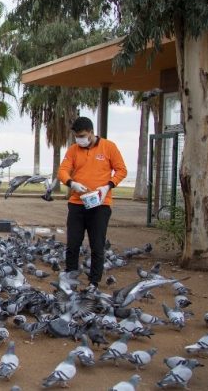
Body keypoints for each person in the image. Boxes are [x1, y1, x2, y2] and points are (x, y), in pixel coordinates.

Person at [58, 116, 127, 292]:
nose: (79, 139)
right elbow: (63, 171)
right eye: (76, 136)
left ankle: (94, 282)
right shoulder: (73, 150)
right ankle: (70, 278)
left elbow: (121, 170)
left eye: (82, 135)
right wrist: (71, 183)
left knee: (97, 245)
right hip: (77, 203)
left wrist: (108, 186)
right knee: (73, 243)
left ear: (91, 132)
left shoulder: (108, 147)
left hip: (100, 205)